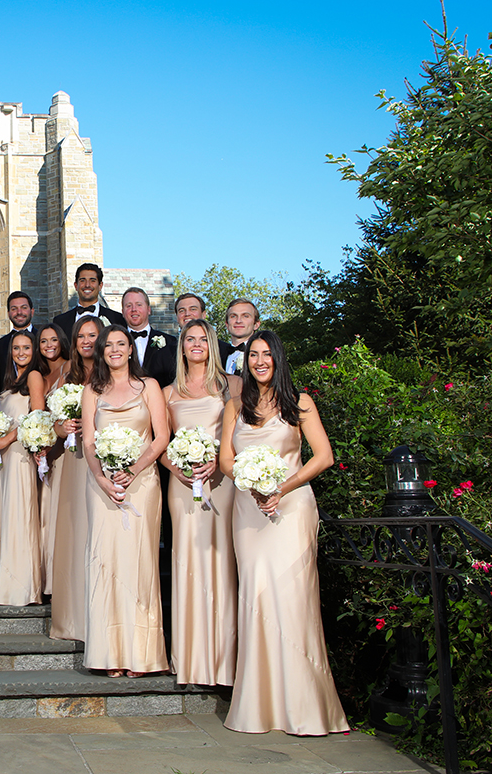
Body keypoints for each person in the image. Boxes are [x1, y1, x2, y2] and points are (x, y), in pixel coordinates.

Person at [219, 330, 348, 735]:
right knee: (255, 597)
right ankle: (259, 706)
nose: (259, 361)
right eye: (252, 355)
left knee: (293, 599)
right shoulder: (235, 406)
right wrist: (252, 485)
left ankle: (305, 707)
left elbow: (323, 456)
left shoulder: (300, 403)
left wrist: (281, 487)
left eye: (265, 354)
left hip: (290, 509)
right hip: (248, 509)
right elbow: (226, 459)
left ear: (277, 358)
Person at [80, 325, 169, 678]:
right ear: (101, 352)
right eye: (108, 345)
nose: (114, 349)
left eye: (121, 344)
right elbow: (89, 442)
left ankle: (142, 655)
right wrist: (102, 478)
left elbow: (161, 436)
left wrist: (132, 469)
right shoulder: (92, 390)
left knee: (139, 564)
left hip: (142, 484)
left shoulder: (149, 387)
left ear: (131, 350)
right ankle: (109, 653)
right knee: (106, 564)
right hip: (101, 487)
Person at [160, 318, 240, 687]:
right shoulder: (167, 392)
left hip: (220, 481)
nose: (196, 344)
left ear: (212, 344)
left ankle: (224, 664)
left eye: (202, 339)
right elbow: (158, 442)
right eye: (189, 339)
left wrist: (219, 459)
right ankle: (190, 661)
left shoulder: (231, 386)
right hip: (182, 486)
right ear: (182, 346)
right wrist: (174, 467)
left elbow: (244, 434)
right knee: (187, 560)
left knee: (221, 562)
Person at [0, 330, 46, 606]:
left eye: (26, 348)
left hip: (19, 454)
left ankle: (22, 587)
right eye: (16, 348)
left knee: (20, 514)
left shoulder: (33, 376)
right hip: (2, 459)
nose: (21, 352)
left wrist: (7, 438)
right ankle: (1, 586)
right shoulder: (10, 381)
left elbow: (38, 415)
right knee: (4, 514)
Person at [48, 314, 102, 641]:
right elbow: (54, 423)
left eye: (92, 335)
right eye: (81, 336)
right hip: (73, 459)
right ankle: (71, 619)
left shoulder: (113, 375)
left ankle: (98, 616)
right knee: (74, 530)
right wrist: (63, 427)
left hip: (101, 461)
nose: (86, 341)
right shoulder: (68, 377)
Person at [36, 323, 69, 596]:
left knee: (59, 513)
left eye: (53, 339)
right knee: (44, 514)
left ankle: (60, 579)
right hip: (45, 452)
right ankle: (46, 578)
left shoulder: (71, 368)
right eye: (44, 340)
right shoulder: (40, 374)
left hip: (65, 449)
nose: (49, 344)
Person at [51, 263, 125, 339]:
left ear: (100, 286)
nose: (87, 285)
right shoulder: (60, 321)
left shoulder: (116, 319)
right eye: (82, 280)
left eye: (92, 280)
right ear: (76, 286)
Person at [122, 287, 177, 388]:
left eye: (139, 305)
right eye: (128, 305)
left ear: (149, 310)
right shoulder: (114, 344)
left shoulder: (170, 342)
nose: (134, 309)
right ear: (122, 312)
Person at [174, 293, 235, 363]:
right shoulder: (167, 352)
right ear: (177, 317)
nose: (187, 314)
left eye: (193, 309)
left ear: (204, 314)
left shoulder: (224, 350)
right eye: (182, 310)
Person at [0, 291, 36, 385]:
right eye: (14, 309)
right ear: (8, 313)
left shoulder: (42, 339)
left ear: (32, 311)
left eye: (24, 308)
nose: (19, 312)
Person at [223, 298, 261, 375]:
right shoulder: (217, 355)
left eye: (245, 316)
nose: (238, 321)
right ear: (227, 324)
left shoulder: (263, 356)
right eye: (233, 316)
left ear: (256, 324)